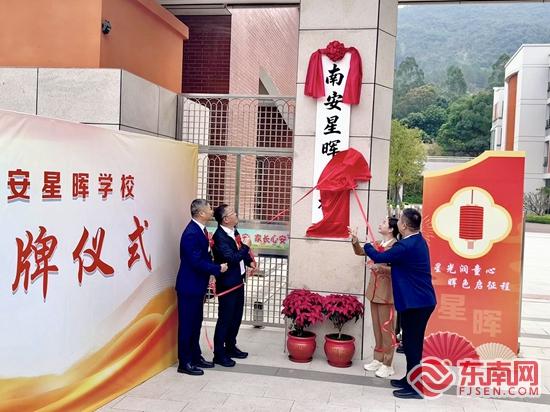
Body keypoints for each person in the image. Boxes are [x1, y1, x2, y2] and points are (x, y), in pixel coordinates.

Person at [362, 208, 436, 399]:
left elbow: (379, 257)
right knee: (410, 343)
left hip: (418, 303)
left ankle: (416, 388)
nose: (399, 223)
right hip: (416, 301)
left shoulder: (406, 245)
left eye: (400, 220)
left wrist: (367, 246)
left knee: (412, 345)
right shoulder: (416, 241)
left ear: (403, 225)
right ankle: (410, 380)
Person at [175, 199, 228, 376]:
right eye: (209, 209)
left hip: (197, 285)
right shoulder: (191, 233)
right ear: (201, 213)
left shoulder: (201, 230)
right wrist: (217, 268)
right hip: (189, 286)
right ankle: (184, 362)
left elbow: (203, 256)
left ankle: (195, 356)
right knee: (187, 326)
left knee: (195, 324)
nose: (212, 211)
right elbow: (195, 261)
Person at [349, 217, 399, 378]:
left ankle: (388, 364)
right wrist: (355, 239)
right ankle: (378, 359)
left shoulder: (397, 247)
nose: (380, 224)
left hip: (387, 294)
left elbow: (398, 270)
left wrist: (379, 268)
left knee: (387, 329)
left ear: (391, 229)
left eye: (384, 223)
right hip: (374, 292)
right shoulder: (378, 244)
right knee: (377, 328)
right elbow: (360, 252)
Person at [211, 204, 256, 367]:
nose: (236, 214)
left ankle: (230, 346)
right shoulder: (219, 237)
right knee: (225, 319)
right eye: (232, 213)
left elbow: (241, 253)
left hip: (238, 281)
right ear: (225, 219)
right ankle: (219, 354)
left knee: (236, 316)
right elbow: (232, 258)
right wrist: (246, 246)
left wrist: (249, 261)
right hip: (228, 284)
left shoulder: (233, 231)